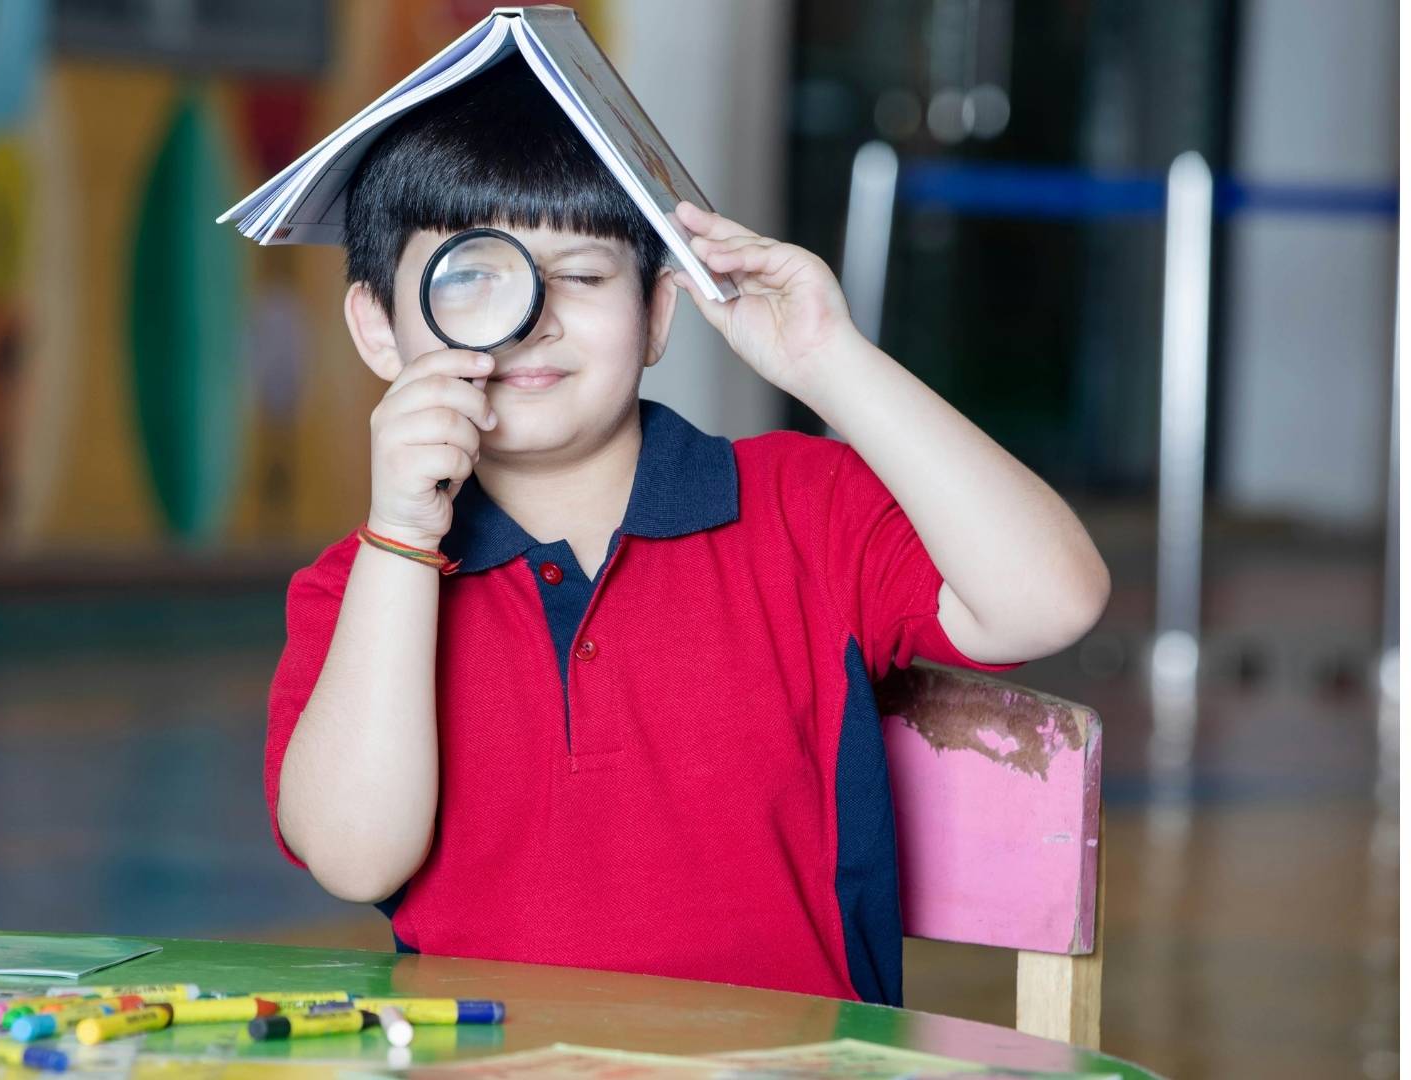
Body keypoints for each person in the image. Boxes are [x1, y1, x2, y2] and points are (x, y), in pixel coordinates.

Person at [263, 59, 1109, 1006]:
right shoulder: (363, 587)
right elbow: (354, 859)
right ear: (381, 330)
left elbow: (1052, 598)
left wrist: (831, 365)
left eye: (582, 274)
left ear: (658, 313)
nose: (532, 323)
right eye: (475, 281)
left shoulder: (803, 509)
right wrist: (403, 539)